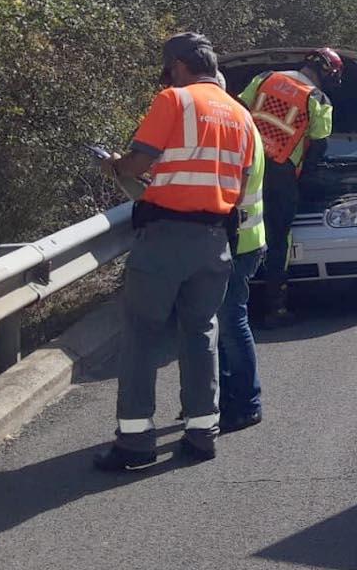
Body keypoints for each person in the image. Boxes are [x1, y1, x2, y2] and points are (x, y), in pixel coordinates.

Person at [95, 32, 254, 471]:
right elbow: (236, 182)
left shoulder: (175, 100)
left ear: (179, 67)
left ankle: (135, 443)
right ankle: (203, 434)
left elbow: (138, 164)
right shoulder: (241, 114)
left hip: (166, 237)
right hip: (214, 240)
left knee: (143, 333)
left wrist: (114, 165)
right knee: (201, 332)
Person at [239, 48, 339, 323]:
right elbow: (319, 144)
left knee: (238, 228)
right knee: (278, 237)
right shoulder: (317, 98)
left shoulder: (265, 78)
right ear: (327, 73)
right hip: (280, 175)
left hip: (246, 165)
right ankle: (276, 307)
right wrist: (307, 176)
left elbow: (239, 113)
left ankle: (234, 299)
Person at [217, 111, 268, 432]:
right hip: (246, 240)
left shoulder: (234, 133)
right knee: (224, 326)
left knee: (231, 324)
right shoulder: (246, 126)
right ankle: (227, 400)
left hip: (238, 242)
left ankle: (247, 403)